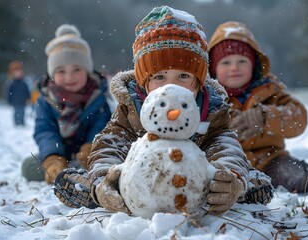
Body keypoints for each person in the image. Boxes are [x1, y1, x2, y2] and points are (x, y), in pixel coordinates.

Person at [53, 6, 273, 215]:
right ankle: (92, 189)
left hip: (195, 186)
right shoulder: (132, 109)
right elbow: (110, 144)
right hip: (141, 184)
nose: (172, 86)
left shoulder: (211, 111)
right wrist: (103, 179)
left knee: (237, 180)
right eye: (159, 77)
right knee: (103, 181)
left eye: (184, 76)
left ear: (198, 82)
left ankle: (242, 187)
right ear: (144, 83)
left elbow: (225, 146)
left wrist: (229, 176)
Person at [207, 21, 308, 193]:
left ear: (254, 64)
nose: (234, 68)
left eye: (242, 61)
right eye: (226, 62)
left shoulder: (271, 91)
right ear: (213, 69)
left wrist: (266, 117)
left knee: (294, 174)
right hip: (226, 162)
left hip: (270, 161)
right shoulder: (209, 98)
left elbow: (298, 119)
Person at [21, 24, 112, 184]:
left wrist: (91, 147)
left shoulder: (97, 96)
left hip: (90, 155)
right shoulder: (45, 100)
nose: (69, 77)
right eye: (61, 71)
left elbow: (102, 126)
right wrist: (53, 157)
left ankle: (86, 167)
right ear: (52, 74)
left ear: (87, 70)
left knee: (110, 163)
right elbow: (45, 131)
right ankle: (60, 167)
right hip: (61, 153)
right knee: (29, 167)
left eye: (77, 69)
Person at [6, 60, 30, 126]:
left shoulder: (24, 83)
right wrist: (9, 100)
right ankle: (17, 123)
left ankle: (22, 122)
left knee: (22, 112)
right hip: (15, 101)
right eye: (16, 72)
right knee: (17, 112)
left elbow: (27, 91)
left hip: (22, 101)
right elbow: (9, 92)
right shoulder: (12, 83)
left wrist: (28, 98)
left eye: (19, 72)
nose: (18, 73)